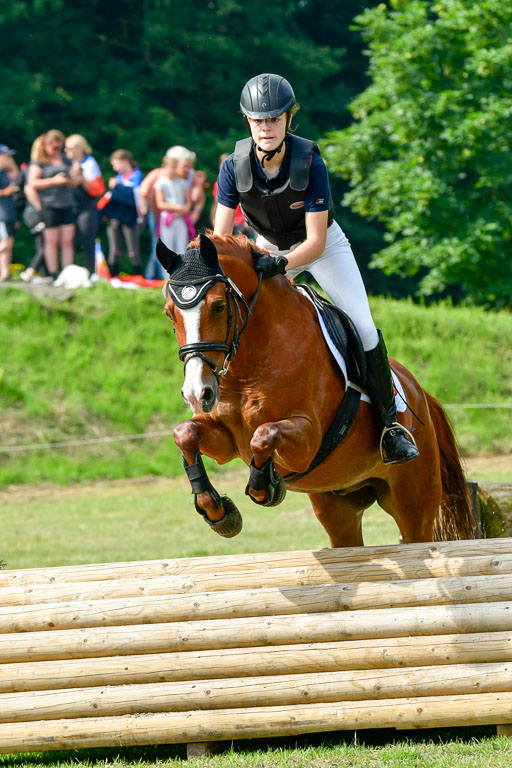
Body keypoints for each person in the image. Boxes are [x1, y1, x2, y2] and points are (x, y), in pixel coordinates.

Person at [213, 73, 419, 465]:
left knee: (363, 326)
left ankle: (390, 426)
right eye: (258, 120)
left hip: (321, 248)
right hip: (266, 247)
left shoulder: (310, 163)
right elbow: (222, 239)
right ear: (247, 122)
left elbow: (315, 242)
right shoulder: (232, 167)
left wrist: (279, 265)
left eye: (274, 119)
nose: (266, 128)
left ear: (289, 119)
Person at [27, 129, 76, 279]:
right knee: (51, 241)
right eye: (54, 147)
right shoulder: (40, 162)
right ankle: (53, 273)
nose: (57, 150)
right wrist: (54, 181)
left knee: (67, 241)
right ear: (47, 145)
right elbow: (32, 183)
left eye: (59, 147)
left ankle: (67, 274)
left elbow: (74, 182)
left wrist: (71, 179)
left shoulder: (66, 160)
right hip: (49, 205)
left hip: (67, 203)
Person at [65, 134, 106, 275]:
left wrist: (81, 177)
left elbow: (97, 190)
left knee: (87, 238)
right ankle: (70, 272)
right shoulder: (66, 163)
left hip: (86, 206)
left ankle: (90, 272)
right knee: (69, 240)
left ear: (79, 148)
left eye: (70, 148)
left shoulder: (89, 164)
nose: (67, 151)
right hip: (70, 205)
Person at [99, 149, 142, 276]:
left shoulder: (136, 175)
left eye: (115, 164)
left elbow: (132, 195)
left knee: (132, 247)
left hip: (129, 217)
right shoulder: (118, 178)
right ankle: (113, 273)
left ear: (125, 161)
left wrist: (117, 187)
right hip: (115, 217)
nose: (114, 168)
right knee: (114, 246)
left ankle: (137, 274)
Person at [154, 155, 192, 255]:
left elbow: (188, 203)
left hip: (180, 218)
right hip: (168, 218)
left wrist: (182, 211)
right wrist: (178, 208)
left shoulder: (182, 183)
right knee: (168, 248)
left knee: (182, 247)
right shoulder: (161, 183)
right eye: (171, 167)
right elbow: (160, 204)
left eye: (175, 167)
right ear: (164, 167)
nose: (173, 170)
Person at [210, 152, 252, 236]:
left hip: (241, 222)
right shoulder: (217, 184)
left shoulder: (243, 182)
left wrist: (248, 223)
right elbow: (216, 203)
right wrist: (213, 219)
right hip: (225, 222)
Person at [0, 145, 19, 281]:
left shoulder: (6, 172)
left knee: (9, 244)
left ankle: (5, 273)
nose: (9, 158)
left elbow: (17, 179)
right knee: (5, 243)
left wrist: (12, 166)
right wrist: (6, 192)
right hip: (2, 214)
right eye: (6, 156)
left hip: (10, 213)